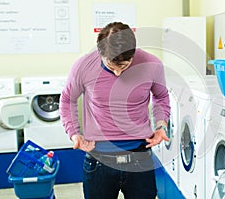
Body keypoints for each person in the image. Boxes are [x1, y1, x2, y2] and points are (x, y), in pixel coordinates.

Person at [59, 22, 171, 199]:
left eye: (124, 66)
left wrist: (161, 125)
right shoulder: (83, 65)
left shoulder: (152, 64)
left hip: (139, 158)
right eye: (111, 67)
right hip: (98, 160)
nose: (118, 73)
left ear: (133, 53)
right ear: (100, 52)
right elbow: (67, 99)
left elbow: (161, 96)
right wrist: (74, 133)